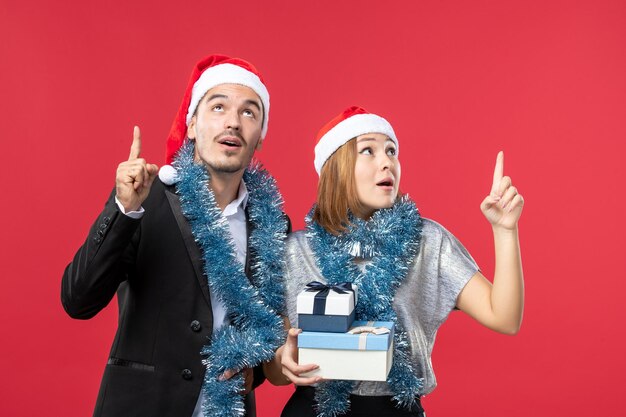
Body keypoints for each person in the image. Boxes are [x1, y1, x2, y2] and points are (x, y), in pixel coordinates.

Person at [61, 54, 289, 417]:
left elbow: (269, 328)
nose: (233, 122)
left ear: (260, 136)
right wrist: (123, 211)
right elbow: (78, 300)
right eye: (218, 107)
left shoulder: (272, 225)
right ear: (193, 124)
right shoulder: (145, 199)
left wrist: (256, 369)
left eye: (249, 112)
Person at [274, 106, 525, 417]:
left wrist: (505, 230)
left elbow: (504, 317)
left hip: (396, 408)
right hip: (315, 407)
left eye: (391, 151)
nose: (387, 162)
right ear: (335, 167)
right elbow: (275, 369)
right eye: (368, 150)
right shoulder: (295, 251)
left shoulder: (427, 242)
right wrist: (283, 359)